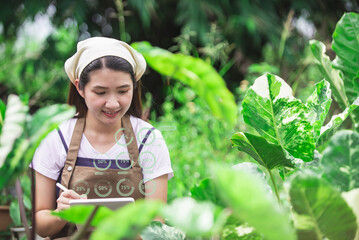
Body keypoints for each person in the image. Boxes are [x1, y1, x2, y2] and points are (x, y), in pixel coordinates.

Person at [31, 37, 174, 238]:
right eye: (100, 92)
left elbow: (155, 224)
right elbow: (40, 223)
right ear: (80, 87)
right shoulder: (57, 137)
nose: (113, 104)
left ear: (134, 87)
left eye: (123, 91)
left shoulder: (148, 139)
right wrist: (61, 214)